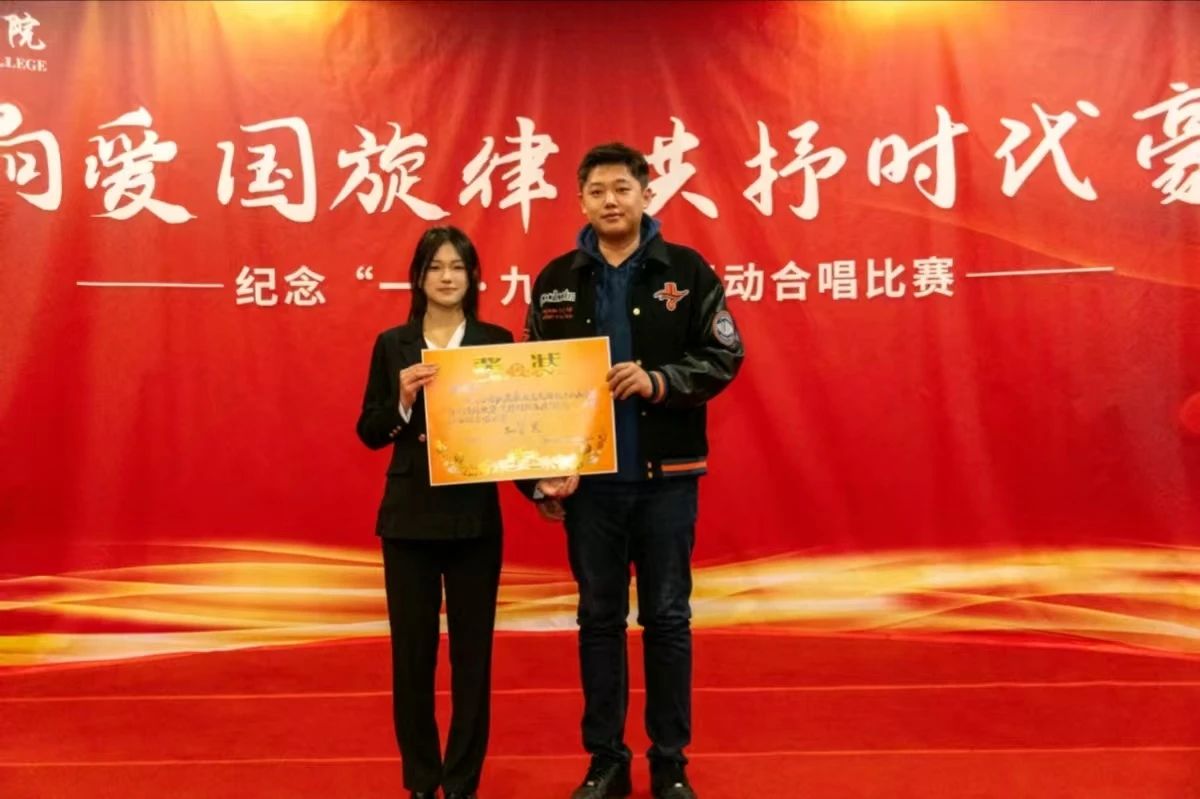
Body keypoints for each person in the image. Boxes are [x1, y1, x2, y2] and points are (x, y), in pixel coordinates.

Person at [526, 143, 745, 799]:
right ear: (580, 200)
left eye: (622, 188)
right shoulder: (556, 280)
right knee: (598, 622)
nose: (610, 201)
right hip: (590, 487)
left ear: (647, 193)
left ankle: (670, 761)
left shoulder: (687, 271)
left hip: (666, 480)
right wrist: (542, 475)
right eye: (597, 191)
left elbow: (724, 356)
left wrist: (659, 381)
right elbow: (532, 387)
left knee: (668, 619)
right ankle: (606, 760)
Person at [356, 226, 512, 799]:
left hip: (474, 519)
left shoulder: (496, 342)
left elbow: (515, 432)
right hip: (408, 521)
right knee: (412, 658)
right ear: (418, 277)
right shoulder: (392, 344)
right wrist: (401, 401)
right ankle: (422, 781)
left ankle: (463, 781)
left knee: (473, 659)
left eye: (458, 267)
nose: (447, 277)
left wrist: (544, 487)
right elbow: (370, 430)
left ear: (473, 278)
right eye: (436, 267)